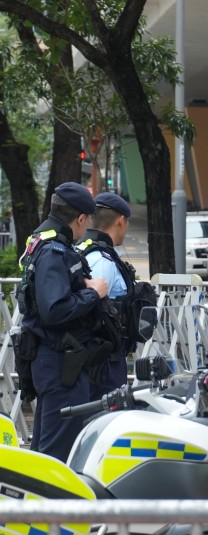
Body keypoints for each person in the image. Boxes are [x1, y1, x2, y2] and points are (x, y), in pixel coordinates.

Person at [16, 183, 109, 462]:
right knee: (58, 453)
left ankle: (35, 504)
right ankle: (50, 506)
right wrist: (93, 293)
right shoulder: (55, 250)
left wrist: (82, 287)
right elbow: (54, 310)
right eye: (89, 218)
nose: (89, 224)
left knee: (46, 450)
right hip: (59, 362)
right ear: (80, 218)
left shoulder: (44, 241)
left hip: (55, 360)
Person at [76, 192, 135, 400]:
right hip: (103, 362)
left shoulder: (84, 249)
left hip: (97, 357)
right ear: (121, 220)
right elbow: (92, 308)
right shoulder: (102, 260)